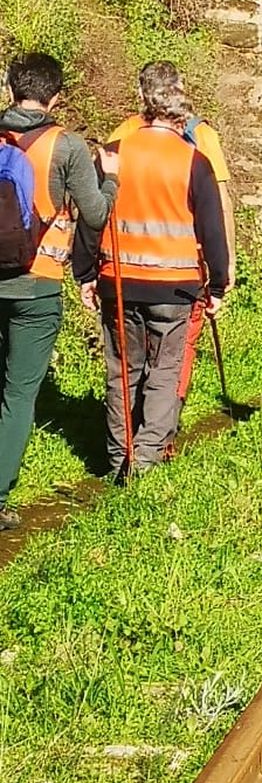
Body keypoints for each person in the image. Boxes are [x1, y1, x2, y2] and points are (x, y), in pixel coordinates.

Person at [81, 62, 229, 480]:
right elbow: (212, 230)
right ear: (181, 114)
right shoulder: (194, 161)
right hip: (175, 288)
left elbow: (93, 217)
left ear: (144, 107)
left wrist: (85, 273)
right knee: (164, 371)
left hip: (119, 281)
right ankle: (144, 460)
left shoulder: (115, 154)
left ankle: (116, 458)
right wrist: (217, 283)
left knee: (121, 370)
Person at [0, 53, 115, 526]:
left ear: (9, 91)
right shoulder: (65, 146)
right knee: (19, 393)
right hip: (36, 285)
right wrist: (110, 178)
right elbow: (95, 214)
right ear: (56, 97)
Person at [110, 63, 235, 428]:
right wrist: (226, 268)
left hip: (125, 266)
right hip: (184, 269)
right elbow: (220, 203)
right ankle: (162, 428)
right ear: (180, 92)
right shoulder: (202, 136)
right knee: (178, 350)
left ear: (143, 95)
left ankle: (131, 429)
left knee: (129, 356)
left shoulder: (123, 134)